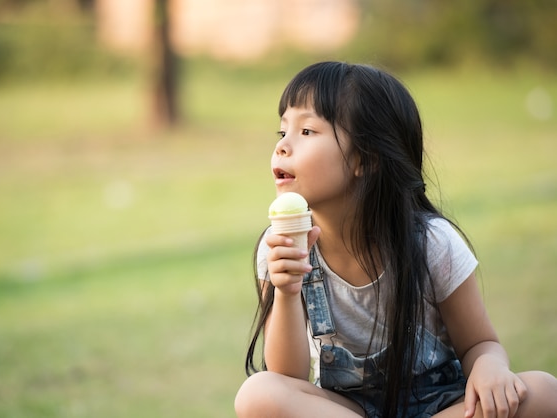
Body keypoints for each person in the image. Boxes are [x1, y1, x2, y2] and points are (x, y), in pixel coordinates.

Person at [234, 61, 557, 418]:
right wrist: (287, 290)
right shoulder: (279, 246)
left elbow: (481, 344)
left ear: (366, 158)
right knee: (257, 394)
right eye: (282, 133)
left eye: (307, 131)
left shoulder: (432, 243)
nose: (283, 147)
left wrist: (489, 367)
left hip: (440, 406)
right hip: (349, 410)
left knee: (544, 392)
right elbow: (287, 377)